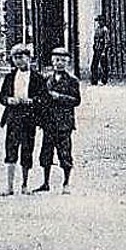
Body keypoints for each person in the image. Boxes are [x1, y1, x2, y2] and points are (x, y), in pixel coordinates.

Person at [0, 43, 45, 196]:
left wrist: (32, 101)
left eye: (21, 57)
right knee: (11, 149)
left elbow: (44, 98)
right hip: (13, 116)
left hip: (29, 117)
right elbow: (2, 96)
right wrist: (9, 100)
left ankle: (25, 184)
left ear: (29, 58)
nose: (19, 61)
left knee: (27, 149)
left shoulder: (37, 78)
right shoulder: (10, 77)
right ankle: (10, 186)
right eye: (15, 58)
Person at [35, 46, 81, 193]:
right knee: (46, 153)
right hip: (49, 122)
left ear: (67, 63)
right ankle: (45, 182)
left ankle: (66, 183)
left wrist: (59, 97)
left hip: (64, 123)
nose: (59, 63)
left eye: (62, 60)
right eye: (56, 60)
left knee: (65, 153)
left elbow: (76, 100)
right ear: (52, 61)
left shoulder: (72, 81)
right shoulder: (46, 79)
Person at [89, 15, 110, 85]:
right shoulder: (97, 29)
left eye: (100, 21)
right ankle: (94, 80)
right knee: (94, 65)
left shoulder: (105, 30)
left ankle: (104, 80)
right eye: (98, 21)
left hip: (102, 49)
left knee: (103, 65)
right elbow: (95, 39)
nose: (99, 22)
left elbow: (106, 41)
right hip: (97, 49)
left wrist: (104, 51)